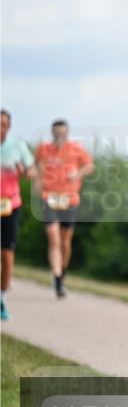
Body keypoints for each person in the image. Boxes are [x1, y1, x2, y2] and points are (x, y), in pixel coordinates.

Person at [34, 119, 93, 298]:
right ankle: (57, 275)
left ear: (67, 133)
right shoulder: (43, 149)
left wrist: (78, 173)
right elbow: (37, 167)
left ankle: (62, 274)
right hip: (49, 197)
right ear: (52, 133)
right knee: (53, 238)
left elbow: (89, 166)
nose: (60, 136)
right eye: (56, 133)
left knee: (65, 240)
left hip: (69, 198)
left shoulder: (76, 149)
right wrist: (37, 185)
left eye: (63, 133)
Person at [0, 109, 36, 320]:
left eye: (3, 124)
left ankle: (2, 297)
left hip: (10, 205)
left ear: (9, 127)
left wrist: (25, 171)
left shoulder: (18, 147)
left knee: (6, 254)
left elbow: (32, 172)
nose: (0, 127)